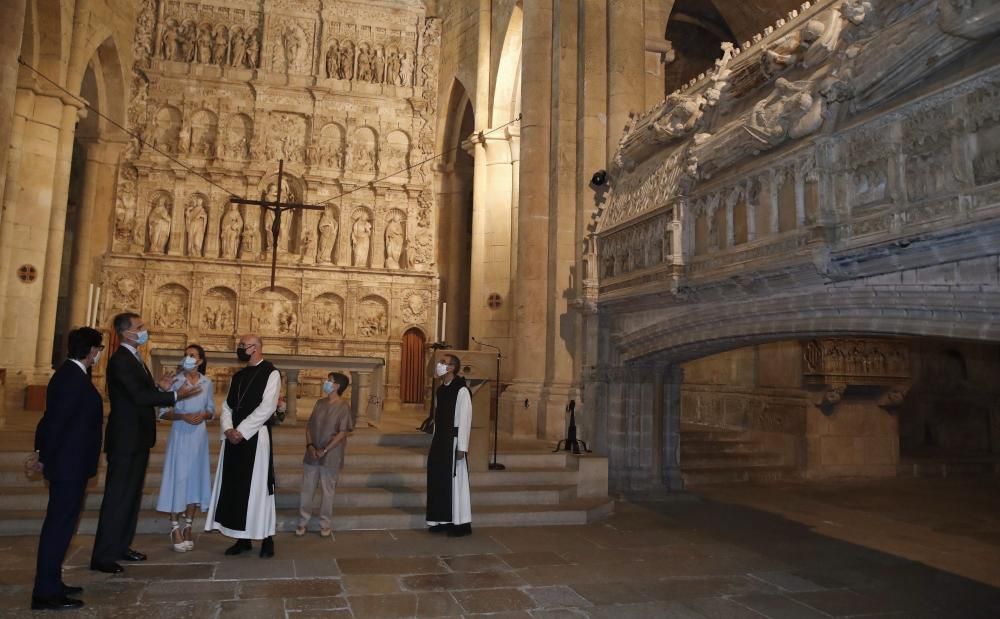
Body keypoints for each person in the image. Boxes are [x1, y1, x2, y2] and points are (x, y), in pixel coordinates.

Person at [91, 313, 200, 574]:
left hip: (137, 437)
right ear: (126, 333)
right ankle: (103, 556)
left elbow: (140, 391)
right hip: (126, 439)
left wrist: (159, 387)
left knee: (131, 496)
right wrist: (175, 394)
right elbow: (137, 396)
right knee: (118, 497)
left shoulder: (135, 358)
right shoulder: (120, 360)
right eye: (139, 328)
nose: (144, 331)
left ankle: (120, 546)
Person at [29, 327, 104, 610]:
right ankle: (45, 593)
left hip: (71, 463)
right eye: (98, 349)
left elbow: (52, 419)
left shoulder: (72, 375)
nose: (98, 354)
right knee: (58, 527)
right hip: (68, 465)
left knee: (62, 526)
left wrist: (42, 452)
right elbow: (55, 422)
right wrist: (43, 455)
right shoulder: (71, 378)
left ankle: (52, 582)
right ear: (90, 351)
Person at [204, 334, 279, 558]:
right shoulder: (238, 375)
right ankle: (242, 538)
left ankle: (267, 538)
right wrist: (228, 429)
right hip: (233, 439)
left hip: (255, 438)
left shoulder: (271, 373)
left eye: (243, 346)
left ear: (255, 348)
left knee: (257, 488)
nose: (240, 349)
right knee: (235, 486)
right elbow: (227, 406)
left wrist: (242, 431)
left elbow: (267, 407)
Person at [156, 344, 215, 552]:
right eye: (186, 355)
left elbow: (211, 409)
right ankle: (175, 527)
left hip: (199, 437)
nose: (188, 358)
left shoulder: (207, 383)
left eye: (192, 356)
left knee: (194, 478)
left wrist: (204, 415)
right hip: (180, 434)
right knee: (178, 478)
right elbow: (163, 412)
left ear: (200, 361)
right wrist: (182, 416)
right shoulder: (175, 381)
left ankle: (189, 525)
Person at [296, 372, 354, 538]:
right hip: (312, 453)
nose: (326, 383)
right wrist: (310, 446)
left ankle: (325, 523)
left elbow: (342, 433)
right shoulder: (319, 403)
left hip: (331, 455)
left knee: (328, 492)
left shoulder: (343, 407)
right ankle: (303, 521)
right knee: (307, 489)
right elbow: (308, 427)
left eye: (330, 381)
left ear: (337, 386)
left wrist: (325, 449)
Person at [425, 354, 473, 537]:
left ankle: (459, 523)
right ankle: (441, 519)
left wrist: (462, 446)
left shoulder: (461, 390)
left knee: (455, 482)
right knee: (438, 479)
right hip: (440, 441)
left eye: (443, 363)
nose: (439, 365)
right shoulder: (440, 390)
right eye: (440, 363)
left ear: (452, 368)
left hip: (453, 442)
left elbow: (465, 419)